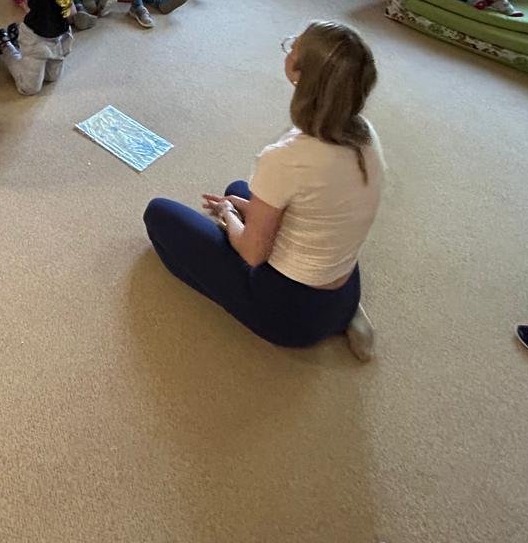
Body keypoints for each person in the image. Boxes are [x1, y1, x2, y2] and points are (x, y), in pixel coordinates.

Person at [142, 21, 383, 360]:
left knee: (159, 215)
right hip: (344, 288)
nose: (289, 48)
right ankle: (345, 314)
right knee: (238, 188)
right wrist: (243, 205)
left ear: (300, 75)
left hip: (291, 312)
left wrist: (228, 214)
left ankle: (291, 314)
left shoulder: (285, 158)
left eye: (293, 47)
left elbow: (253, 254)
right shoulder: (363, 133)